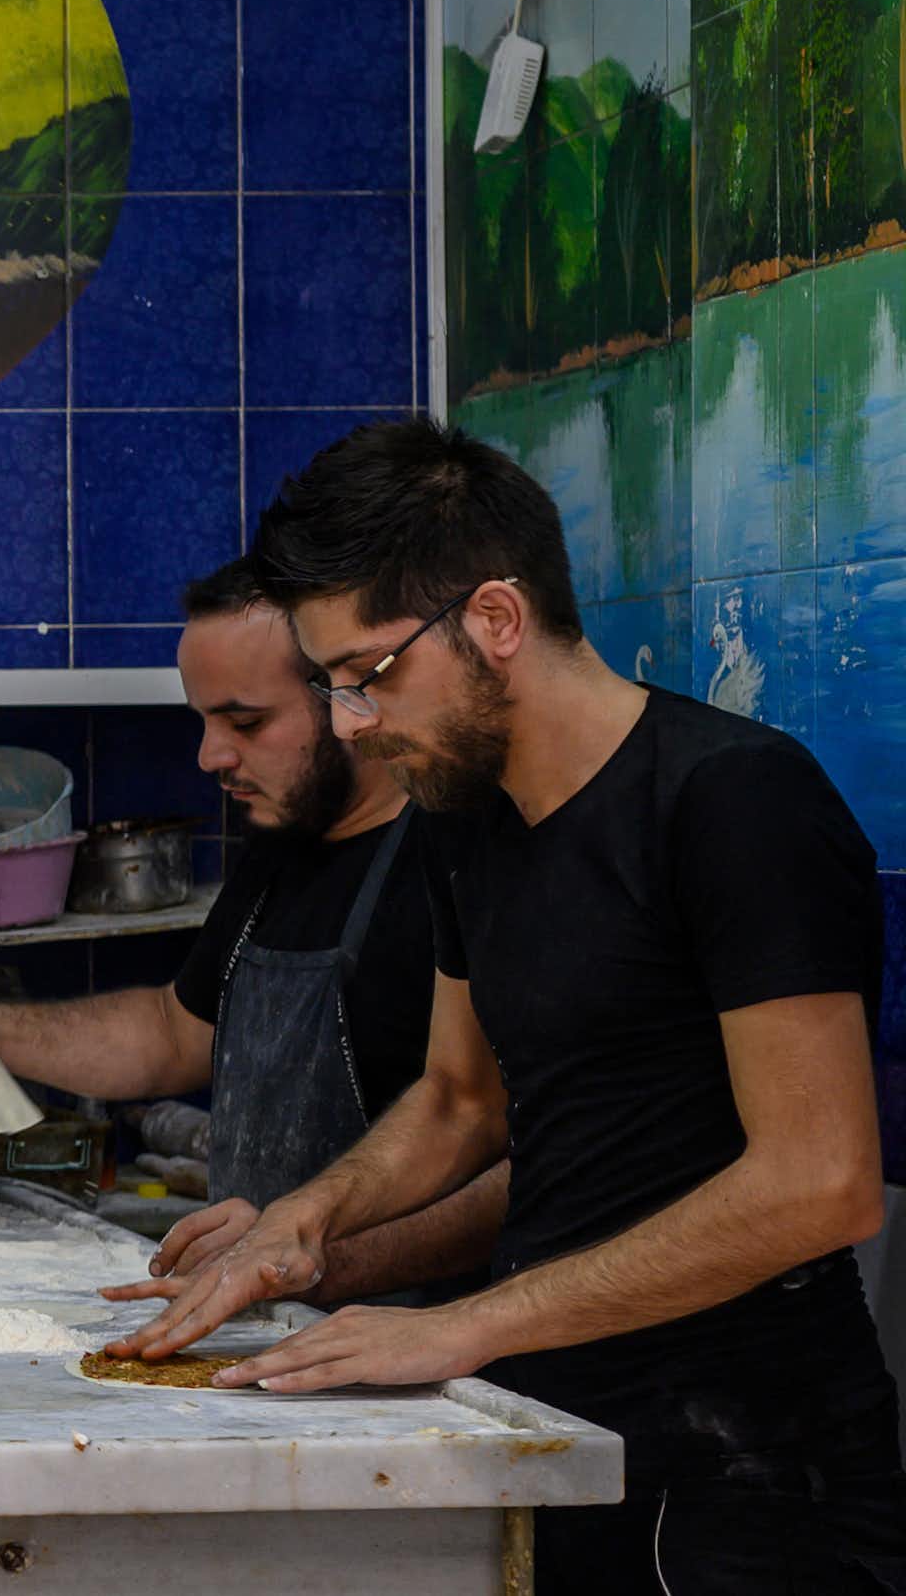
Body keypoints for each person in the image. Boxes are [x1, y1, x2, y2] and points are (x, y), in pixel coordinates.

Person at [111, 419, 905, 1594]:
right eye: (331, 688)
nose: (351, 725)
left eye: (368, 677)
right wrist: (303, 1224)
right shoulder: (463, 821)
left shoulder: (734, 803)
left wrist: (461, 1325)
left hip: (747, 1469)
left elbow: (819, 1184)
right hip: (551, 1428)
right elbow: (457, 1099)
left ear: (493, 619)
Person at [0, 555, 504, 1305]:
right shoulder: (284, 846)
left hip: (412, 1355)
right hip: (258, 1322)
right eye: (203, 721)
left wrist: (311, 1258)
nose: (211, 756)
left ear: (350, 695)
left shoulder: (459, 858)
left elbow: (502, 1158)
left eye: (245, 720)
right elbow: (175, 1032)